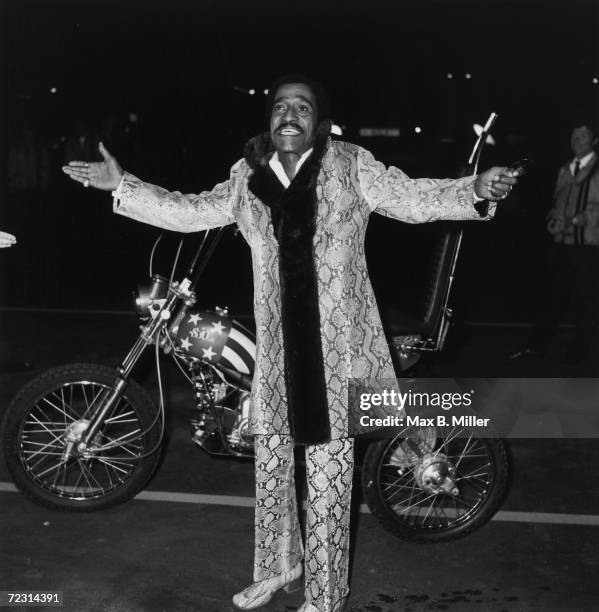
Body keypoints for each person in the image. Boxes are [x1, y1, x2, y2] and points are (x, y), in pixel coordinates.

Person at [63, 74, 519, 612]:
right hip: (278, 352)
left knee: (329, 480)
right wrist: (123, 186)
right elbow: (190, 211)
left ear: (317, 120)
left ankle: (325, 598)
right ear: (269, 118)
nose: (289, 114)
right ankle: (279, 568)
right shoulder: (247, 175)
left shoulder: (351, 166)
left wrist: (471, 189)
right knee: (272, 466)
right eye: (281, 105)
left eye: (302, 107)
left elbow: (415, 197)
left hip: (342, 353)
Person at [509, 123, 599, 367]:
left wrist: (579, 219)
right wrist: (553, 218)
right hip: (562, 245)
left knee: (586, 305)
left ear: (594, 140)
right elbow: (558, 202)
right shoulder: (565, 168)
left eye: (583, 135)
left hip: (589, 248)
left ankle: (575, 358)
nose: (576, 139)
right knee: (553, 299)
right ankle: (536, 347)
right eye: (573, 135)